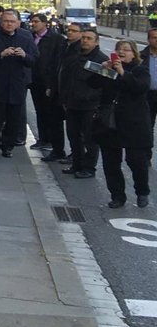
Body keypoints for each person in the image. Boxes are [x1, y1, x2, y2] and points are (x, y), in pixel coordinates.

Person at [93, 39, 152, 208]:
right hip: (110, 122)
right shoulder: (110, 69)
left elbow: (140, 87)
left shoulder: (140, 70)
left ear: (134, 54)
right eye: (119, 49)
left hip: (134, 123)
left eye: (126, 49)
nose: (121, 52)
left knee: (137, 161)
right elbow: (92, 83)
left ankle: (142, 191)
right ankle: (117, 195)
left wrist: (122, 72)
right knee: (111, 162)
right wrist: (102, 69)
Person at [0, 9, 36, 158]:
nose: (9, 24)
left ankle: (7, 146)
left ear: (18, 23)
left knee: (13, 118)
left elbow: (34, 60)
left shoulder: (25, 39)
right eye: (6, 21)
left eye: (12, 21)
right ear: (1, 22)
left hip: (16, 84)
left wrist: (24, 56)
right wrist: (0, 55)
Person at [58, 27, 107, 179]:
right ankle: (77, 164)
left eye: (89, 38)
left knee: (90, 139)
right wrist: (64, 98)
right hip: (72, 103)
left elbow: (105, 85)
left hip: (91, 105)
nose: (85, 41)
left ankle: (89, 168)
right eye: (83, 38)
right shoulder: (75, 56)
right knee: (73, 136)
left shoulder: (102, 60)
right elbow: (65, 77)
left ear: (96, 42)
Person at [42, 21, 82, 163]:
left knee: (75, 128)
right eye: (68, 30)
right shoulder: (63, 45)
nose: (70, 32)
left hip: (71, 93)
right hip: (57, 90)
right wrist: (51, 85)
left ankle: (76, 154)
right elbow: (55, 66)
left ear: (81, 34)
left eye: (74, 31)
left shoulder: (80, 49)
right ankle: (57, 150)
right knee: (55, 122)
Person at [29, 13, 65, 156]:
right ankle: (43, 138)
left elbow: (57, 62)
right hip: (35, 80)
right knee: (39, 111)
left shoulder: (56, 39)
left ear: (45, 23)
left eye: (36, 21)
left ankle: (52, 142)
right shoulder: (31, 37)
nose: (33, 24)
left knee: (51, 113)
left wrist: (52, 83)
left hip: (48, 81)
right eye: (32, 22)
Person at [141, 28, 157, 130]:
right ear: (148, 40)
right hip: (147, 94)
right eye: (154, 37)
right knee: (147, 123)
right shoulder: (141, 56)